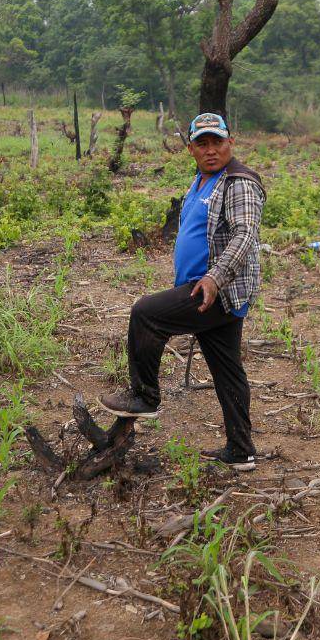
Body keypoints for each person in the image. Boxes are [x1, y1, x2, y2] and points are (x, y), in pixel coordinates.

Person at [100, 112, 265, 471]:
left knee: (146, 314)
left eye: (217, 142)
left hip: (216, 292)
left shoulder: (239, 183)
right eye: (202, 143)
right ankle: (242, 451)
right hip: (206, 290)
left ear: (230, 143)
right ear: (190, 148)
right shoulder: (202, 180)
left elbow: (245, 235)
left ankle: (144, 396)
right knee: (227, 370)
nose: (210, 150)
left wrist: (214, 278)